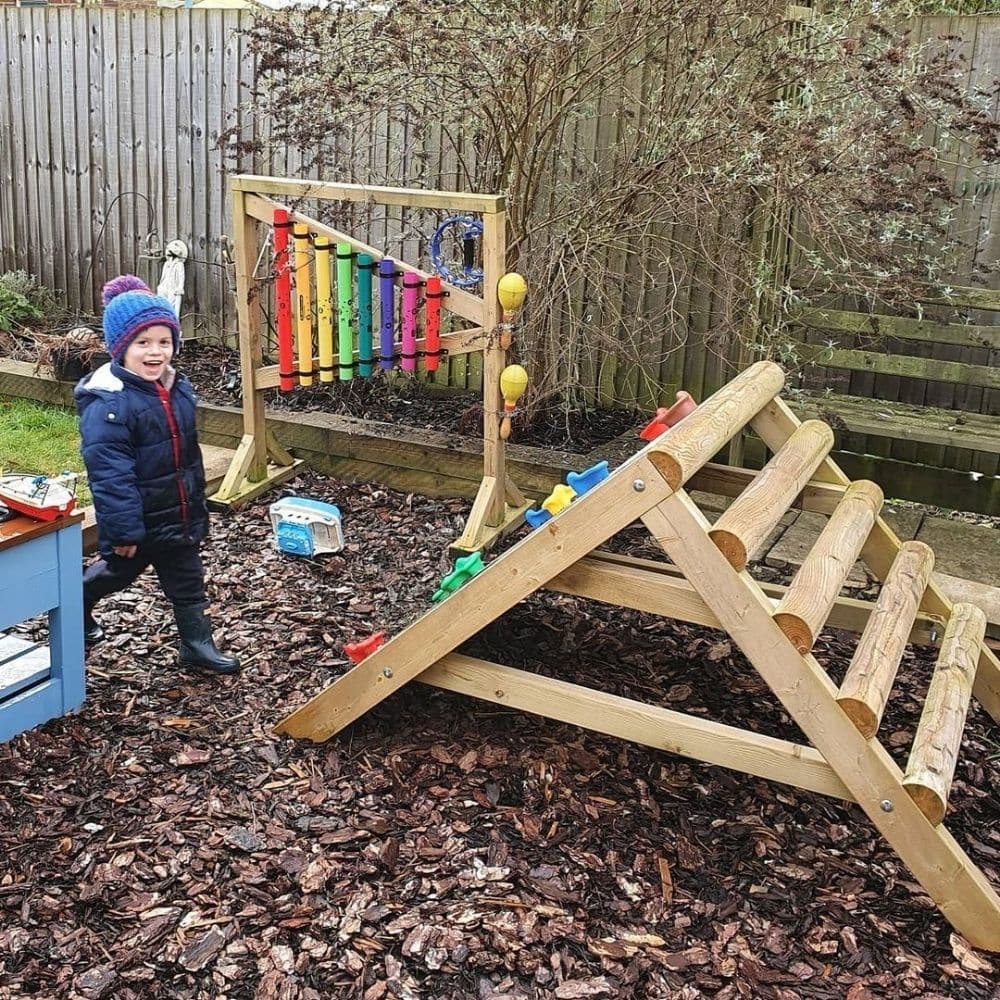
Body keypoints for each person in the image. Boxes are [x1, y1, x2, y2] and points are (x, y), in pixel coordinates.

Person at [75, 275, 240, 675]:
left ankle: (197, 644)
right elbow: (110, 475)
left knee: (188, 580)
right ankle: (78, 604)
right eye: (142, 343)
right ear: (120, 348)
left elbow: (187, 457)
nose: (155, 353)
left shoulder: (176, 388)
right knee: (116, 574)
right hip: (138, 523)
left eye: (164, 342)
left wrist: (195, 504)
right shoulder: (109, 404)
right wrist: (124, 531)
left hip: (177, 514)